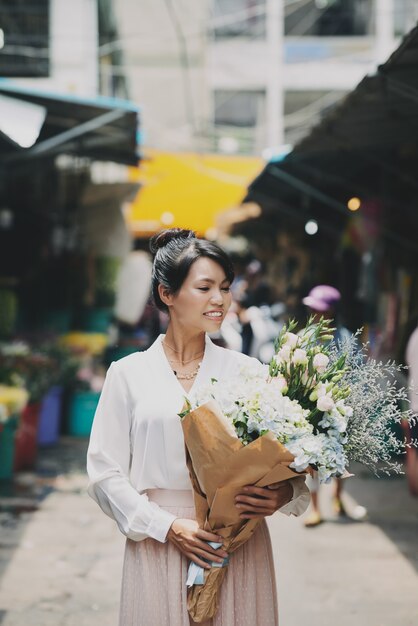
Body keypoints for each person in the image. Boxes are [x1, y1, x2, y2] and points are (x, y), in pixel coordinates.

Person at [87, 228, 310, 626]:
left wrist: (284, 493)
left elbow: (292, 460)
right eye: (205, 287)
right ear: (166, 294)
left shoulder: (248, 372)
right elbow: (104, 472)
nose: (219, 299)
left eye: (225, 287)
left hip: (238, 540)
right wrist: (167, 526)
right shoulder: (128, 374)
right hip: (159, 543)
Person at [301, 284, 367, 527]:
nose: (315, 315)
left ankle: (338, 497)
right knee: (313, 460)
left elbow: (358, 376)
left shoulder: (346, 339)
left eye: (320, 310)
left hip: (339, 409)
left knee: (342, 457)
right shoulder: (306, 337)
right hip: (311, 408)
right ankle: (316, 508)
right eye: (313, 310)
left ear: (331, 312)